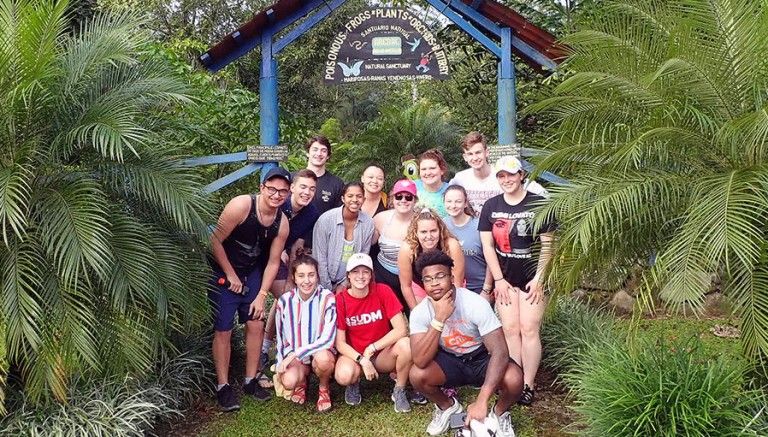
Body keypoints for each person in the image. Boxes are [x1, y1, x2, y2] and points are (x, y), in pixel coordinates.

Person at [408, 250, 523, 437]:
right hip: (450, 360)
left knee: (515, 379)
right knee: (417, 375)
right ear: (423, 283)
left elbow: (500, 352)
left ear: (452, 277)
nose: (435, 283)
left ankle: (499, 414)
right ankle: (448, 407)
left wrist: (482, 400)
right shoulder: (420, 312)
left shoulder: (474, 303)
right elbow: (420, 360)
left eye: (440, 276)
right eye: (428, 279)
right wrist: (439, 319)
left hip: (479, 357)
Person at [208, 166, 290, 411]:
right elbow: (214, 240)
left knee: (256, 322)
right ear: (262, 188)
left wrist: (262, 294)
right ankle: (223, 387)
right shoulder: (241, 206)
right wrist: (230, 274)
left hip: (252, 272)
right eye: (272, 189)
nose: (276, 195)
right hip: (223, 271)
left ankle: (250, 379)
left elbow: (274, 261)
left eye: (282, 192)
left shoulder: (281, 223)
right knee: (224, 329)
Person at [479, 156, 555, 407]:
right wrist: (498, 280)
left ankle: (529, 384)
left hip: (533, 277)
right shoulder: (491, 206)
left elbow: (548, 244)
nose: (506, 180)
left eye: (511, 174)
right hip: (506, 279)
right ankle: (515, 379)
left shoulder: (539, 203)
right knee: (510, 330)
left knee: (529, 329)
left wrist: (540, 277)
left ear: (521, 175)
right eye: (501, 175)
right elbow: (488, 246)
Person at [334, 253, 415, 412]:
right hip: (355, 355)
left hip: (381, 353)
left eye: (365, 271)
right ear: (348, 276)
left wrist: (372, 348)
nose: (361, 276)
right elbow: (340, 343)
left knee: (406, 345)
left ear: (371, 274)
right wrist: (362, 360)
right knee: (344, 375)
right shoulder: (341, 299)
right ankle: (354, 382)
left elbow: (401, 330)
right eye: (355, 272)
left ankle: (399, 390)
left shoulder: (383, 291)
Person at [261, 169, 320, 369]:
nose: (307, 192)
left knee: (287, 296)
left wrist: (290, 278)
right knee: (286, 299)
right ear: (292, 188)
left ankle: (269, 346)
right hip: (261, 256)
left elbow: (297, 245)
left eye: (312, 189)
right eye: (303, 187)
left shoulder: (311, 212)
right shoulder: (279, 202)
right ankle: (280, 348)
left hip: (283, 258)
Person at [274, 255, 337, 412]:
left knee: (323, 360)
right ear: (294, 278)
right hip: (296, 357)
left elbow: (328, 339)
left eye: (311, 275)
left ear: (317, 276)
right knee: (288, 381)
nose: (307, 281)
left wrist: (295, 354)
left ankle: (323, 387)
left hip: (320, 353)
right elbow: (281, 338)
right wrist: (281, 361)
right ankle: (302, 381)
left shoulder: (328, 298)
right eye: (301, 276)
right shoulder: (284, 302)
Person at [450, 132, 548, 213]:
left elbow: (539, 191)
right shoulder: (460, 178)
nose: (475, 158)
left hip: (500, 230)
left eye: (478, 152)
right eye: (470, 154)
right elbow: (447, 199)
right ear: (465, 157)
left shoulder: (501, 174)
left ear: (487, 152)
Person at [398, 208, 465, 310]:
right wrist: (416, 312)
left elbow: (457, 281)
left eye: (433, 231)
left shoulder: (451, 245)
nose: (429, 236)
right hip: (420, 286)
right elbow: (406, 286)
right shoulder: (407, 249)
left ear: (440, 230)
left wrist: (447, 309)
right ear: (416, 232)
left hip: (449, 284)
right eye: (423, 232)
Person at [313, 182, 375, 291]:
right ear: (343, 198)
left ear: (364, 200)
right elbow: (319, 257)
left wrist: (345, 284)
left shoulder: (368, 223)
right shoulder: (326, 220)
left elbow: (362, 257)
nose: (355, 200)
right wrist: (327, 289)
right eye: (350, 196)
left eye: (359, 196)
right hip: (321, 281)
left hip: (350, 282)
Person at [373, 179, 418, 309]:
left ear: (415, 200)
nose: (403, 200)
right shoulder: (380, 218)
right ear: (393, 199)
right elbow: (367, 244)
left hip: (413, 275)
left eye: (408, 197)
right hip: (384, 273)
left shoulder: (422, 221)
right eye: (399, 196)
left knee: (416, 313)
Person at [443, 185, 491, 296]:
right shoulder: (442, 225)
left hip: (479, 287)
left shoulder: (479, 225)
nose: (453, 206)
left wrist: (486, 290)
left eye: (458, 201)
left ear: (465, 203)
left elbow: (491, 259)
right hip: (452, 287)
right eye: (449, 201)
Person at [304, 134, 344, 216]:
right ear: (307, 153)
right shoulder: (293, 178)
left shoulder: (337, 184)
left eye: (323, 151)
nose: (319, 154)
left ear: (328, 156)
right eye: (315, 149)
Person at [414, 149, 450, 218]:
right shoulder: (412, 187)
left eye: (432, 168)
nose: (428, 173)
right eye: (423, 169)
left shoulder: (451, 191)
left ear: (442, 170)